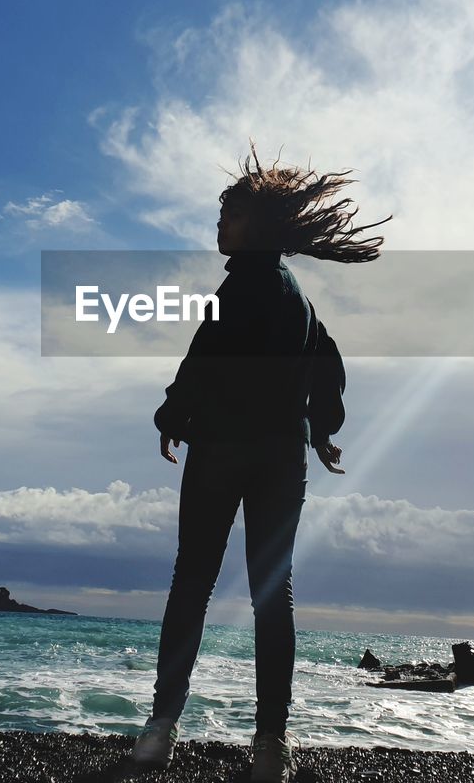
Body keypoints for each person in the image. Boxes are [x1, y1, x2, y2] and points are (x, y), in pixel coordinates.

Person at [131, 143, 391, 782]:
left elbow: (202, 362)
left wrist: (170, 417)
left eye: (232, 215)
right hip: (281, 456)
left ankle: (162, 729)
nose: (220, 225)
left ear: (260, 226)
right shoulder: (298, 298)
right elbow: (327, 359)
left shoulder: (238, 286)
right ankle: (270, 746)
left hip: (222, 449)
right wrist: (324, 430)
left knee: (192, 582)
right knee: (273, 597)